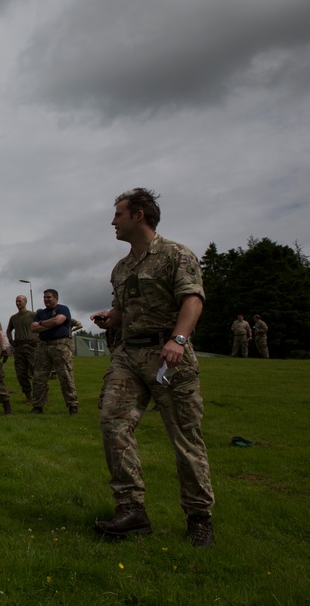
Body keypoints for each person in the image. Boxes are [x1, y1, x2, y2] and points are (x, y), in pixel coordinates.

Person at [90, 188, 214, 547]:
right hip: (129, 356)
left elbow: (192, 299)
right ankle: (131, 510)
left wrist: (178, 340)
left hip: (167, 355)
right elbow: (121, 313)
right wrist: (109, 319)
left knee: (185, 438)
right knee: (113, 423)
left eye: (118, 214)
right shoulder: (122, 267)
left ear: (139, 215)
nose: (113, 221)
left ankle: (199, 517)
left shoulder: (175, 255)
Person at [30, 290, 79, 415]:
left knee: (65, 376)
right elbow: (33, 327)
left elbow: (58, 321)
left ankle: (72, 405)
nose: (46, 299)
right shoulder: (40, 313)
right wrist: (48, 324)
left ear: (56, 298)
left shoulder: (63, 309)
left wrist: (43, 324)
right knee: (39, 377)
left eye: (49, 297)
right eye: (44, 297)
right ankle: (37, 406)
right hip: (43, 346)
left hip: (60, 346)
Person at [7, 295, 37, 403]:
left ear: (25, 302)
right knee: (21, 374)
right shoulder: (14, 318)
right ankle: (29, 398)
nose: (18, 303)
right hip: (19, 348)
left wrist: (37, 338)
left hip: (32, 348)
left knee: (36, 373)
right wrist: (11, 341)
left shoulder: (33, 315)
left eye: (20, 301)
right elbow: (8, 330)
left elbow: (42, 327)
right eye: (16, 301)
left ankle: (43, 395)